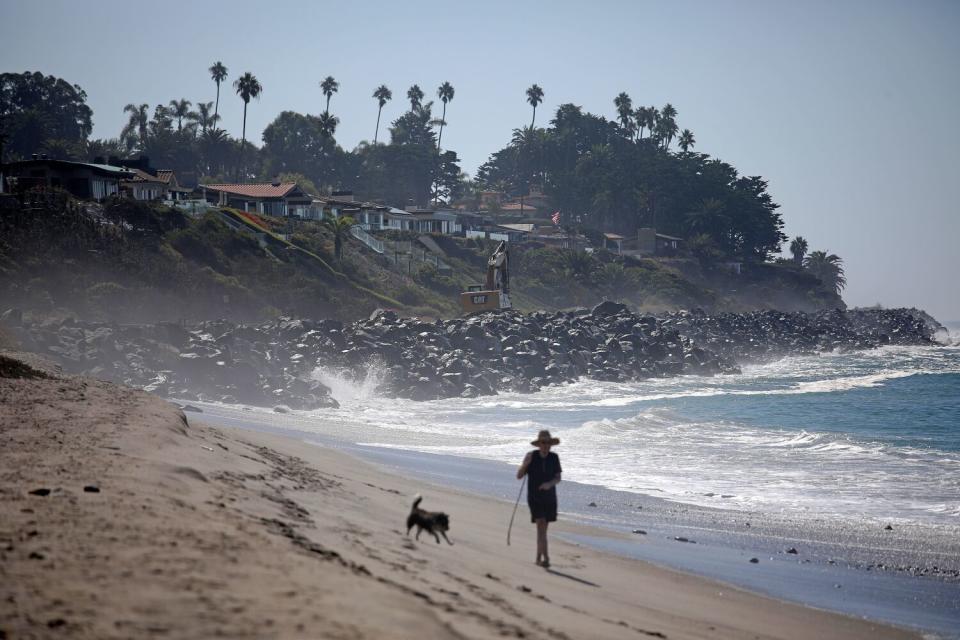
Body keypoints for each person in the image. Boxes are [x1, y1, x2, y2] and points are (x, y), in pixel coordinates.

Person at [516, 429, 562, 568]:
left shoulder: (554, 457)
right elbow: (519, 476)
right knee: (541, 525)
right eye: (543, 442)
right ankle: (546, 558)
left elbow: (558, 478)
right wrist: (525, 464)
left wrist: (549, 484)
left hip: (550, 498)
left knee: (542, 529)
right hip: (534, 497)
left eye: (548, 443)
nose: (546, 445)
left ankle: (538, 557)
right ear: (539, 444)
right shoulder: (531, 456)